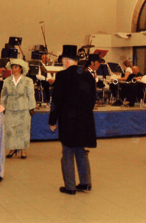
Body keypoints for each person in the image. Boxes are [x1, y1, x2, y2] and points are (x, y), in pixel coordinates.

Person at [49, 45, 96, 195]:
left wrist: (52, 120)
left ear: (67, 61)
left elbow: (57, 100)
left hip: (68, 119)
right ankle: (85, 183)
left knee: (68, 152)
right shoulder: (88, 75)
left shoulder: (62, 76)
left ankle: (69, 187)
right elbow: (93, 99)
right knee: (81, 151)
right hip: (85, 119)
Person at [1, 59, 36, 159]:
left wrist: (31, 107)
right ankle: (12, 148)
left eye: (16, 67)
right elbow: (3, 95)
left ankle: (23, 150)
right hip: (10, 108)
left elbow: (31, 95)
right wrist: (2, 106)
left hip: (23, 108)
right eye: (12, 67)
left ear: (21, 68)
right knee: (10, 129)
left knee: (23, 129)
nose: (14, 69)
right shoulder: (6, 81)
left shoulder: (28, 81)